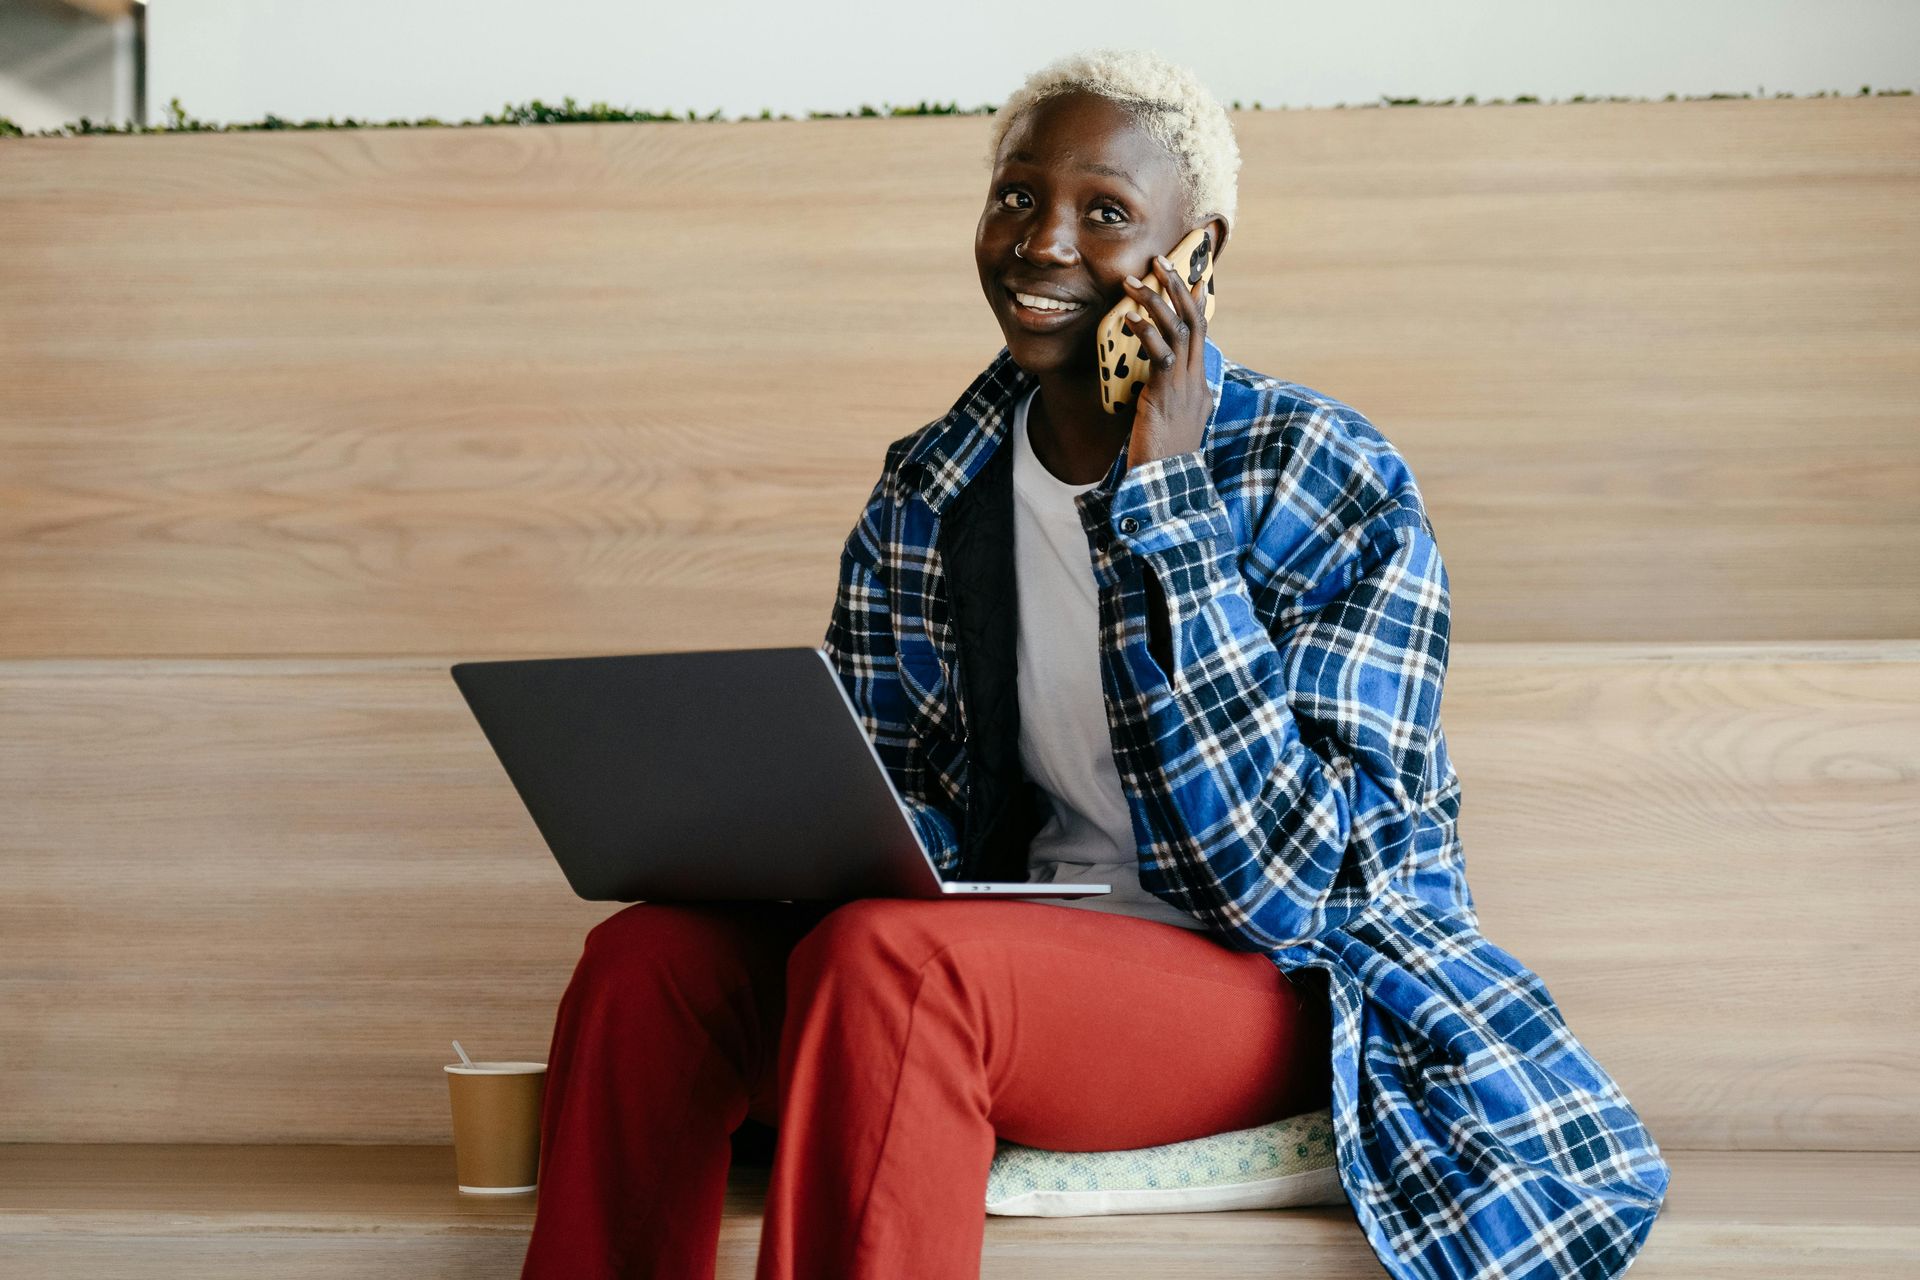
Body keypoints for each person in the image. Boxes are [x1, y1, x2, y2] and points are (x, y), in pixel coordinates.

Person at [520, 46, 1671, 1280]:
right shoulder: (931, 484)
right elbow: (895, 804)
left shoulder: (1326, 476)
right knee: (645, 966)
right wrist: (762, 827)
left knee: (892, 964)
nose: (1043, 242)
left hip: (1271, 985)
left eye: (1106, 213)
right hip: (1001, 957)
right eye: (1018, 195)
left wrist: (1165, 501)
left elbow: (1295, 891)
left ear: (1198, 253)